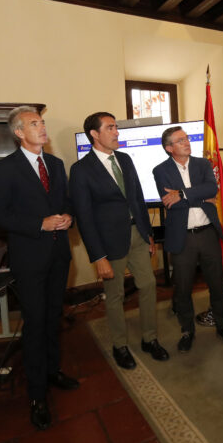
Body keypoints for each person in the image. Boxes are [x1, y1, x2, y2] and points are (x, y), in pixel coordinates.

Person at [0, 106, 79, 430]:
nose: (42, 128)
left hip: (59, 255)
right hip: (29, 259)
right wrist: (39, 224)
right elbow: (0, 215)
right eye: (34, 124)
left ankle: (52, 371)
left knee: (54, 316)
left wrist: (69, 217)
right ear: (19, 133)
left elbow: (67, 201)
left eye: (42, 122)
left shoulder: (56, 164)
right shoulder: (6, 169)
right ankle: (36, 395)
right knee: (34, 324)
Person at [69, 112, 168, 369]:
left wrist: (149, 234)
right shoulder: (80, 170)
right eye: (110, 128)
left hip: (137, 234)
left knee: (148, 285)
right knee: (115, 296)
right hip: (109, 243)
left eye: (116, 127)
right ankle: (120, 345)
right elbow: (85, 216)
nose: (117, 132)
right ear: (94, 134)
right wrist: (98, 257)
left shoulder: (124, 159)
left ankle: (150, 339)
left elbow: (136, 198)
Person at [152, 126, 223, 352]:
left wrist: (181, 193)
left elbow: (212, 188)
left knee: (216, 284)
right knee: (183, 288)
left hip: (208, 233)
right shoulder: (160, 170)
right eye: (180, 140)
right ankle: (187, 330)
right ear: (169, 148)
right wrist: (201, 197)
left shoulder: (203, 164)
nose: (187, 142)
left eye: (187, 138)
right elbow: (170, 202)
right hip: (182, 238)